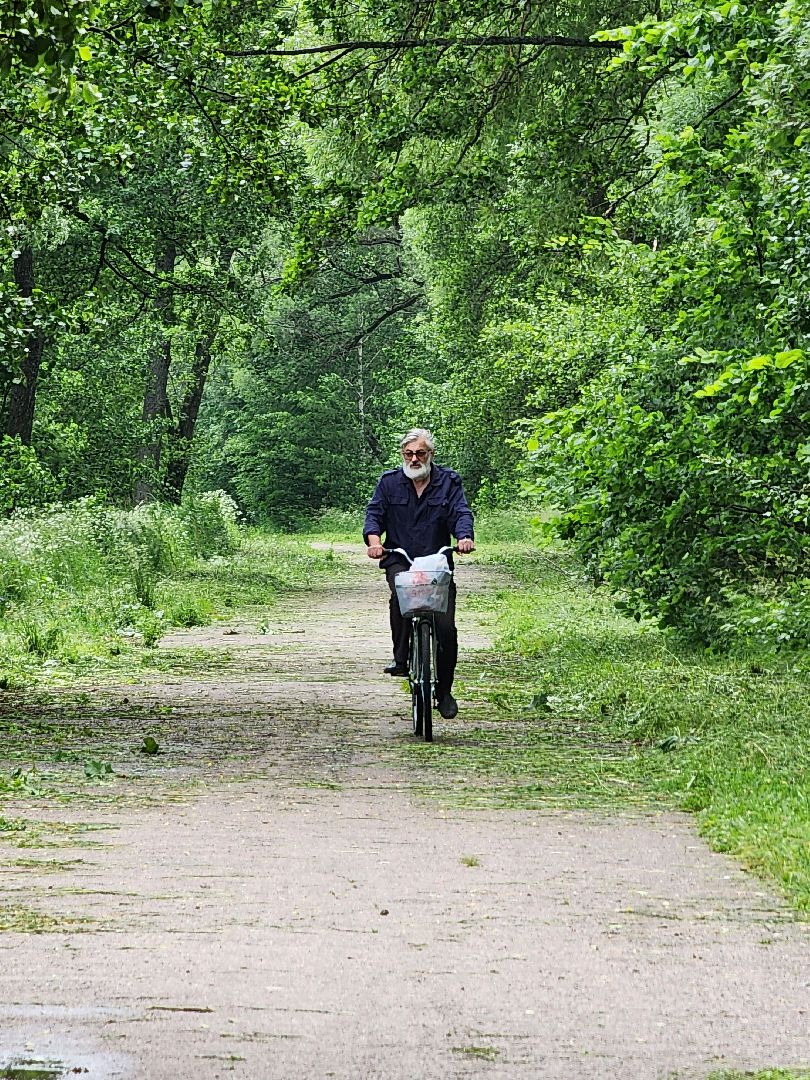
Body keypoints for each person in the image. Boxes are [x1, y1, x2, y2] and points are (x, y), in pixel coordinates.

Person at [364, 428, 475, 719]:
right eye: (409, 454)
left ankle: (444, 691)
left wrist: (464, 537)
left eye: (420, 454)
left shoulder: (449, 481)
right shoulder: (389, 483)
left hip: (436, 561)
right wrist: (375, 543)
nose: (414, 459)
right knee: (400, 597)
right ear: (403, 455)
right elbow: (374, 515)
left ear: (430, 454)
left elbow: (461, 512)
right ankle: (401, 658)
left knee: (445, 627)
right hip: (400, 557)